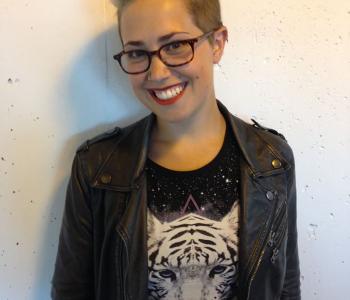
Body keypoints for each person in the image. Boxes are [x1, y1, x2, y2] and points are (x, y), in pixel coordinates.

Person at [51, 0, 301, 299]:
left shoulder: (271, 161)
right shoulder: (97, 168)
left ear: (217, 43)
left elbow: (284, 285)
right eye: (137, 52)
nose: (156, 73)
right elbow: (72, 291)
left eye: (175, 46)